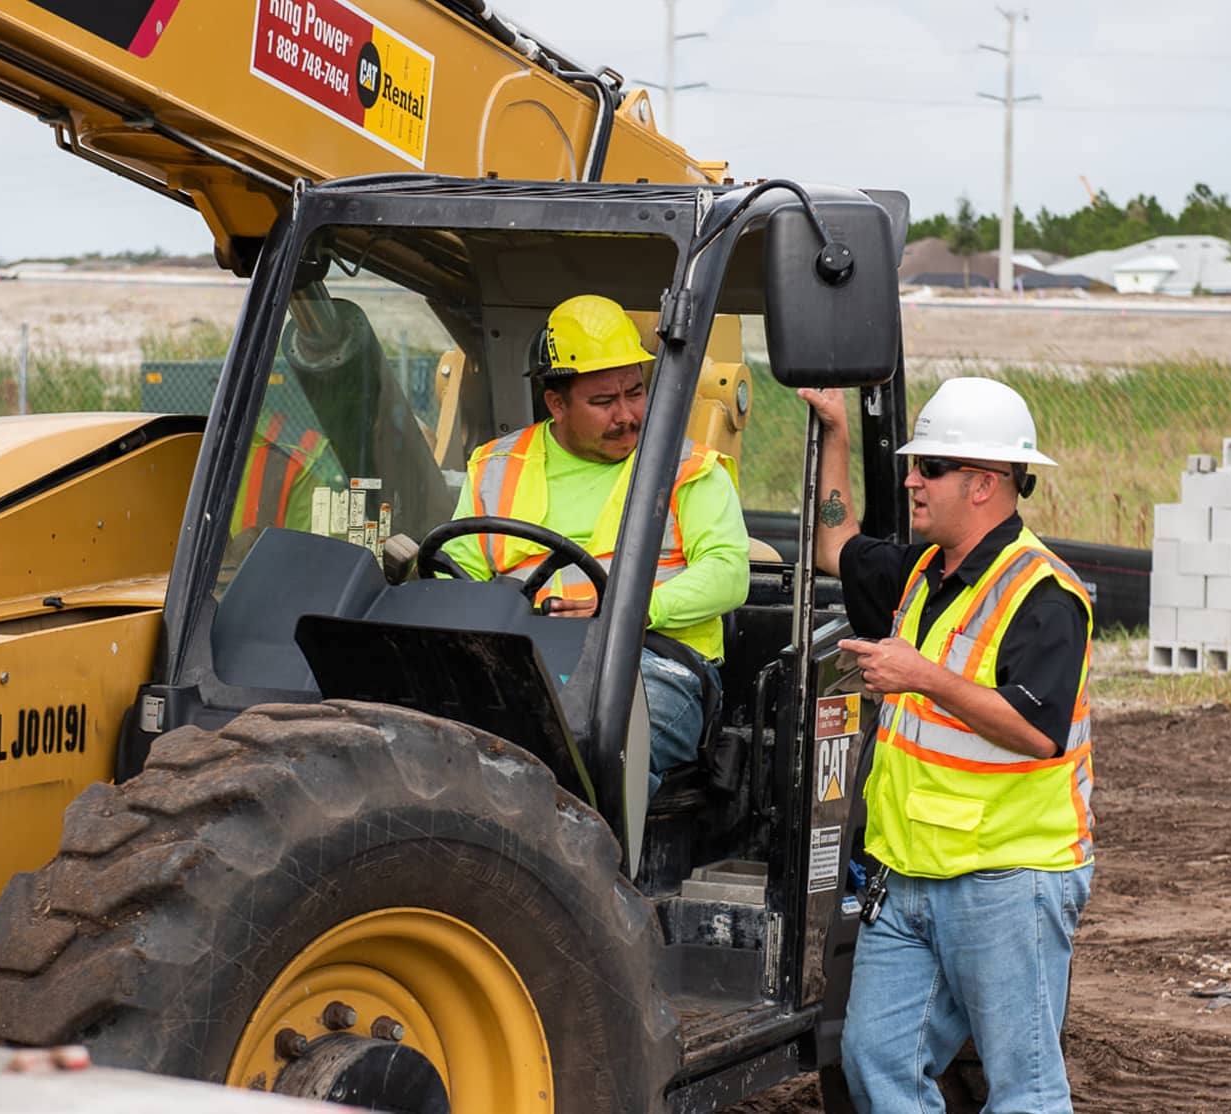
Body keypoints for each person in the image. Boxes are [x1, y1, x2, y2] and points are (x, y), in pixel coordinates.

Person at [797, 376, 1094, 1114]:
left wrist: (922, 676)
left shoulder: (1043, 594)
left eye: (929, 467)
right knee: (876, 1061)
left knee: (1024, 1088)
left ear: (985, 483)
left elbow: (1036, 731)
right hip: (909, 876)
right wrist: (836, 431)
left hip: (1006, 880)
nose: (911, 481)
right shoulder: (923, 572)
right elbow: (835, 544)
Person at [444, 294, 750, 796]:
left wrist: (627, 610)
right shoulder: (495, 466)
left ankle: (600, 848)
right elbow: (454, 573)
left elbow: (728, 573)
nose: (627, 415)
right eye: (604, 402)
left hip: (654, 664)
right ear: (556, 403)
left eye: (635, 392)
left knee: (584, 742)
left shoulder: (689, 469)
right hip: (525, 659)